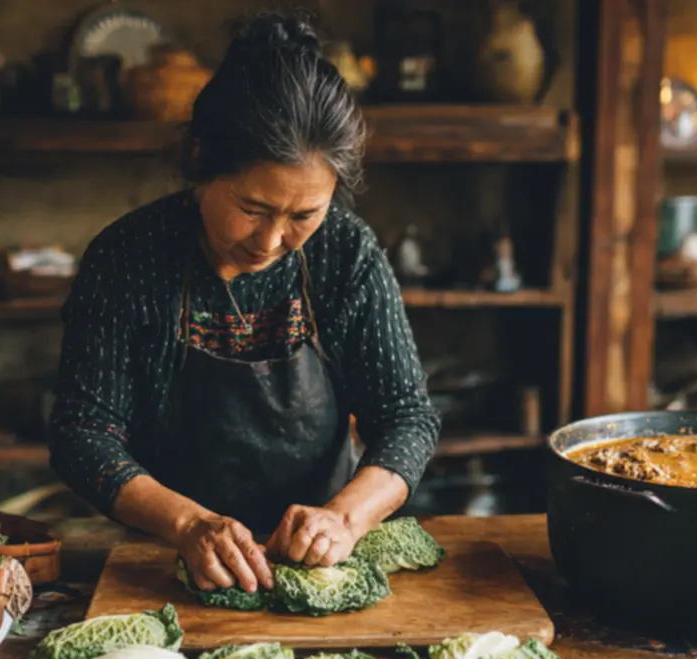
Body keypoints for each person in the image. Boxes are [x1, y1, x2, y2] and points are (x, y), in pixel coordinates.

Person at [49, 12, 439, 597]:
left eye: (304, 215)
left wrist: (344, 518)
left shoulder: (345, 251)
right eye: (254, 208)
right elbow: (82, 433)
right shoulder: (128, 257)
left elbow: (407, 416)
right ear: (201, 161)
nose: (271, 240)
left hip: (318, 565)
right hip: (164, 567)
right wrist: (187, 524)